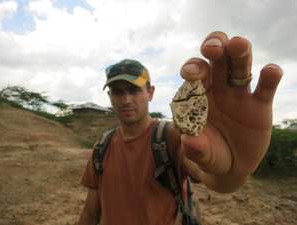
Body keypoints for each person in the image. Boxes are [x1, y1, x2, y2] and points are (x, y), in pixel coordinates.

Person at [78, 31, 283, 225]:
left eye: (134, 90)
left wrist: (234, 171)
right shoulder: (101, 147)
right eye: (117, 92)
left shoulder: (172, 138)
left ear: (150, 93)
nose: (126, 99)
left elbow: (216, 180)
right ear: (109, 97)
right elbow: (89, 213)